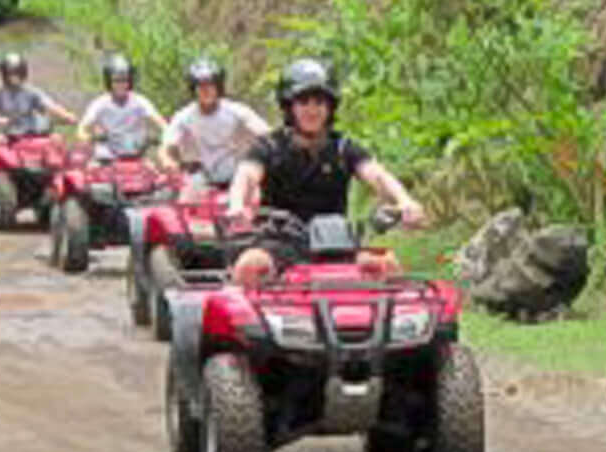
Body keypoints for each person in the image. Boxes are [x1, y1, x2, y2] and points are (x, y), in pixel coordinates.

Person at [222, 58, 429, 286]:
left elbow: (377, 175)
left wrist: (405, 201)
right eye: (304, 102)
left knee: (387, 265)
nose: (312, 110)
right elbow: (247, 175)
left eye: (319, 102)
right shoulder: (270, 146)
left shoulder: (342, 147)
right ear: (289, 107)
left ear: (330, 108)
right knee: (250, 266)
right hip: (280, 242)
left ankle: (388, 321)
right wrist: (236, 204)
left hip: (337, 242)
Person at [160, 58, 269, 193]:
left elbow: (266, 134)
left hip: (236, 175)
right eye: (201, 86)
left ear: (218, 87)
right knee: (184, 203)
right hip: (201, 176)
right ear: (193, 89)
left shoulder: (236, 111)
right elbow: (168, 145)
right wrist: (169, 162)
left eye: (210, 86)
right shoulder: (184, 116)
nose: (206, 91)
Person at [74, 54, 168, 162]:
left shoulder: (140, 102)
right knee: (91, 174)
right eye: (117, 81)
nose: (121, 85)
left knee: (156, 174)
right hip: (108, 156)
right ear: (109, 82)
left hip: (137, 154)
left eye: (124, 80)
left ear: (130, 81)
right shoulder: (100, 104)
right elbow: (83, 127)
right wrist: (86, 137)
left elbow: (159, 121)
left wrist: (165, 134)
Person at [0, 51, 77, 138]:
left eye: (18, 73)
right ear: (4, 74)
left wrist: (67, 116)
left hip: (30, 132)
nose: (14, 77)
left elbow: (50, 105)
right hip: (5, 133)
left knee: (56, 139)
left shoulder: (30, 91)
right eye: (11, 73)